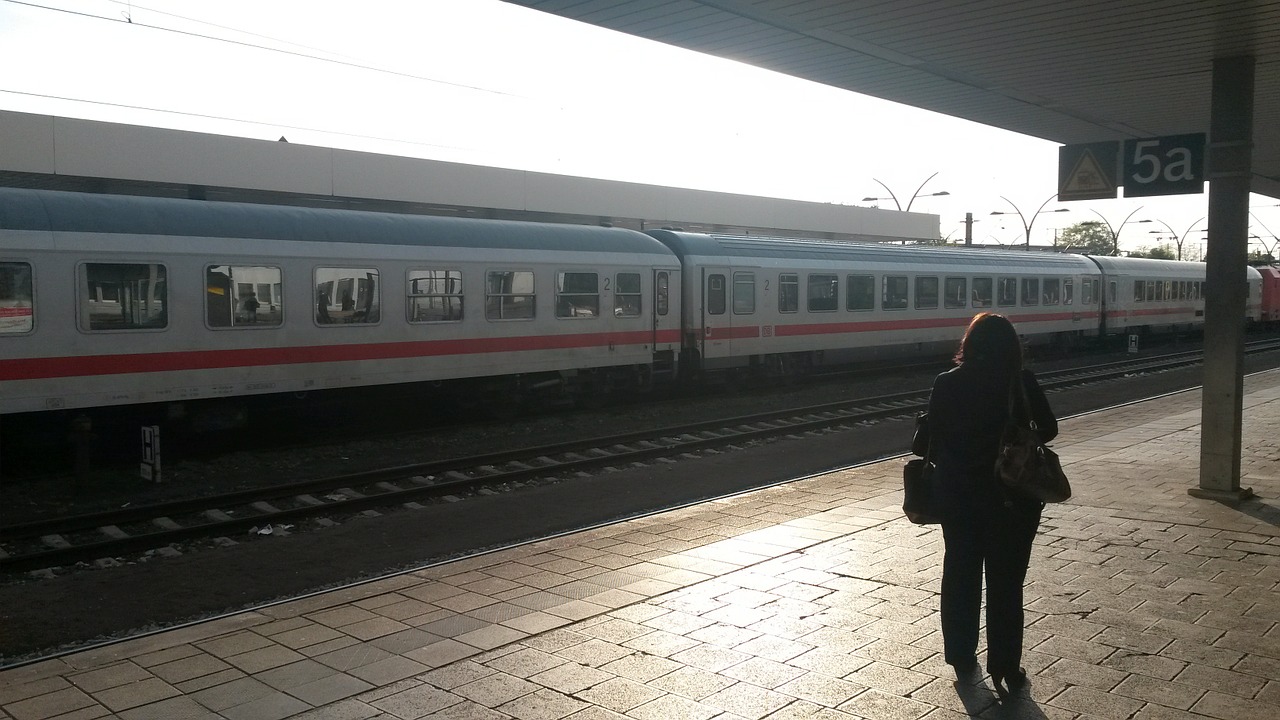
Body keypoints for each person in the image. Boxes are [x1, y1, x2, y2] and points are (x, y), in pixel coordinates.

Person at [925, 312, 1057, 697]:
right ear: (1012, 347)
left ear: (970, 343)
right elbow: (1048, 429)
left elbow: (933, 433)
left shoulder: (947, 383)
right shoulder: (1021, 382)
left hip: (959, 498)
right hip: (1011, 499)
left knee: (960, 575)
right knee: (1006, 583)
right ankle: (1005, 666)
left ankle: (961, 656)